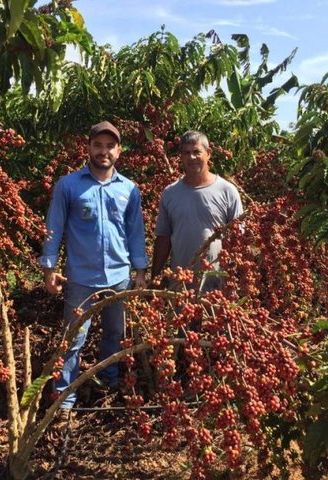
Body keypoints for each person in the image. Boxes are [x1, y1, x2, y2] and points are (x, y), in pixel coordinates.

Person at [39, 121, 148, 410]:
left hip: (119, 277)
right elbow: (54, 228)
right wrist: (49, 268)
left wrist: (140, 270)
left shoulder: (129, 189)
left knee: (115, 333)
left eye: (110, 146)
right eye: (98, 145)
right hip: (81, 279)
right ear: (88, 148)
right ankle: (63, 399)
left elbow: (135, 232)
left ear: (119, 151)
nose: (104, 151)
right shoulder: (69, 185)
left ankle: (108, 382)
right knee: (73, 339)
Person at [151, 130, 243, 292]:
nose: (192, 157)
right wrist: (155, 277)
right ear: (181, 157)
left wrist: (238, 280)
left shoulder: (227, 191)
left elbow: (239, 240)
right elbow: (163, 238)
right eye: (186, 153)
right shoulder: (170, 193)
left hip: (218, 287)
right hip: (181, 285)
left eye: (196, 152)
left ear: (208, 154)